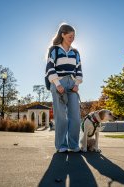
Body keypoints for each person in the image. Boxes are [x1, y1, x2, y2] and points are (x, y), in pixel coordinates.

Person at [45, 24, 83, 153]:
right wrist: (57, 84)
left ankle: (73, 145)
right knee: (61, 116)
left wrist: (77, 84)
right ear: (62, 34)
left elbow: (79, 69)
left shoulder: (75, 52)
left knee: (75, 117)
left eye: (73, 36)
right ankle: (61, 145)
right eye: (69, 36)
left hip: (72, 84)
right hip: (58, 82)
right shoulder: (54, 50)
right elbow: (50, 67)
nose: (72, 38)